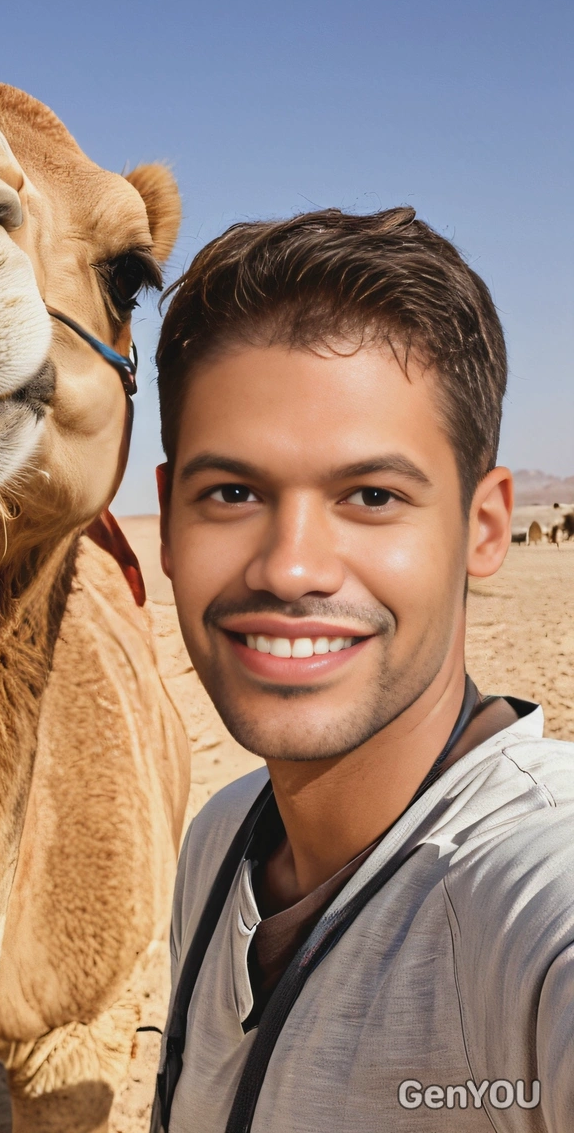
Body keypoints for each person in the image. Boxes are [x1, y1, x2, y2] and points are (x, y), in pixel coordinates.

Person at [149, 207, 574, 1132]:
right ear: (169, 521)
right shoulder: (220, 841)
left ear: (484, 527)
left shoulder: (529, 902)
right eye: (232, 493)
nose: (291, 567)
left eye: (372, 496)